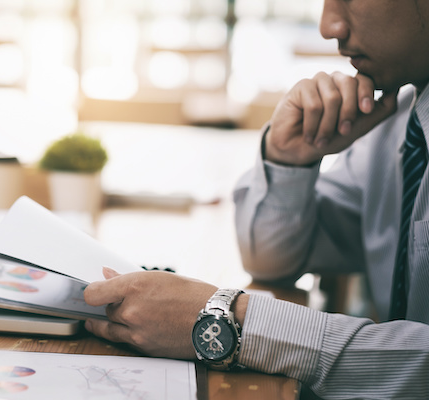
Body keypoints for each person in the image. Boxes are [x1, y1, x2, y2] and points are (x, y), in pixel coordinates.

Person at [83, 0, 429, 398]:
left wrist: (234, 322)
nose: (328, 25)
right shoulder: (398, 121)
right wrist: (289, 161)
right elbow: (272, 257)